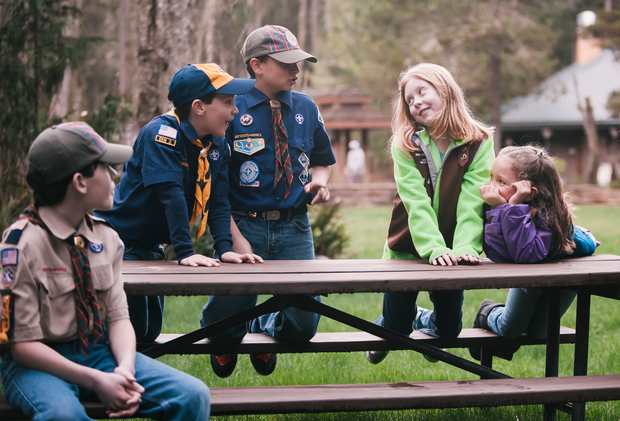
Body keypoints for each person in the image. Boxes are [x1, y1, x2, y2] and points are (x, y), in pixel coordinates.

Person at [0, 122, 210, 421]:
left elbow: (118, 318)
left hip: (97, 353)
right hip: (36, 363)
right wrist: (97, 380)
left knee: (192, 396)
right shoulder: (21, 245)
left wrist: (123, 368)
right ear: (80, 182)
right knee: (64, 416)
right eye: (105, 167)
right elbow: (21, 347)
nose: (115, 175)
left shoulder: (106, 238)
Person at [200, 25, 336, 378]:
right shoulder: (231, 108)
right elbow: (216, 184)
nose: (296, 70)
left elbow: (322, 159)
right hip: (243, 223)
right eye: (286, 63)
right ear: (256, 65)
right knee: (225, 316)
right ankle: (226, 337)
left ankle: (263, 326)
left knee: (304, 325)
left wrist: (319, 183)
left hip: (294, 226)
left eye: (298, 63)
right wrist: (232, 237)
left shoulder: (306, 107)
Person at [95, 63, 262, 342]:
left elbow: (219, 200)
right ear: (199, 107)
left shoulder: (216, 142)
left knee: (150, 331)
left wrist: (223, 248)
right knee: (131, 333)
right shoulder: (161, 135)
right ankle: (112, 382)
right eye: (228, 102)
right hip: (120, 243)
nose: (236, 110)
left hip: (152, 246)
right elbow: (170, 195)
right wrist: (185, 252)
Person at [366, 63, 495, 365]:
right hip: (409, 246)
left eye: (422, 92)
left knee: (448, 332)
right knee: (397, 329)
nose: (416, 103)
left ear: (445, 90)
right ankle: (384, 326)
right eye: (409, 100)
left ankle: (421, 318)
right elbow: (416, 203)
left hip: (453, 250)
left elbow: (472, 204)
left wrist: (463, 248)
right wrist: (432, 248)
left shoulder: (478, 144)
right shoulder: (405, 146)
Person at [469, 145, 599, 361]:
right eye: (492, 177)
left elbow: (526, 253)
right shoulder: (504, 207)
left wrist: (510, 209)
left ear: (530, 192)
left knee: (541, 332)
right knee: (509, 328)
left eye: (501, 181)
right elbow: (498, 253)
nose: (491, 185)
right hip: (530, 276)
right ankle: (488, 312)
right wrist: (503, 208)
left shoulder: (547, 218)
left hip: (562, 276)